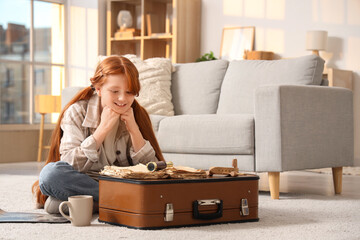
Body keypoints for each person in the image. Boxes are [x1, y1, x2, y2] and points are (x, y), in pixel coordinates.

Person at [32, 56, 165, 214]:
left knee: (54, 206)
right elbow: (68, 162)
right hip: (85, 181)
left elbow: (154, 171)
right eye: (115, 91)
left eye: (129, 92)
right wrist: (102, 130)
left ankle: (99, 204)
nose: (123, 98)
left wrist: (134, 130)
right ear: (98, 88)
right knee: (50, 175)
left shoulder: (138, 114)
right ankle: (125, 201)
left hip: (122, 183)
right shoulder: (77, 111)